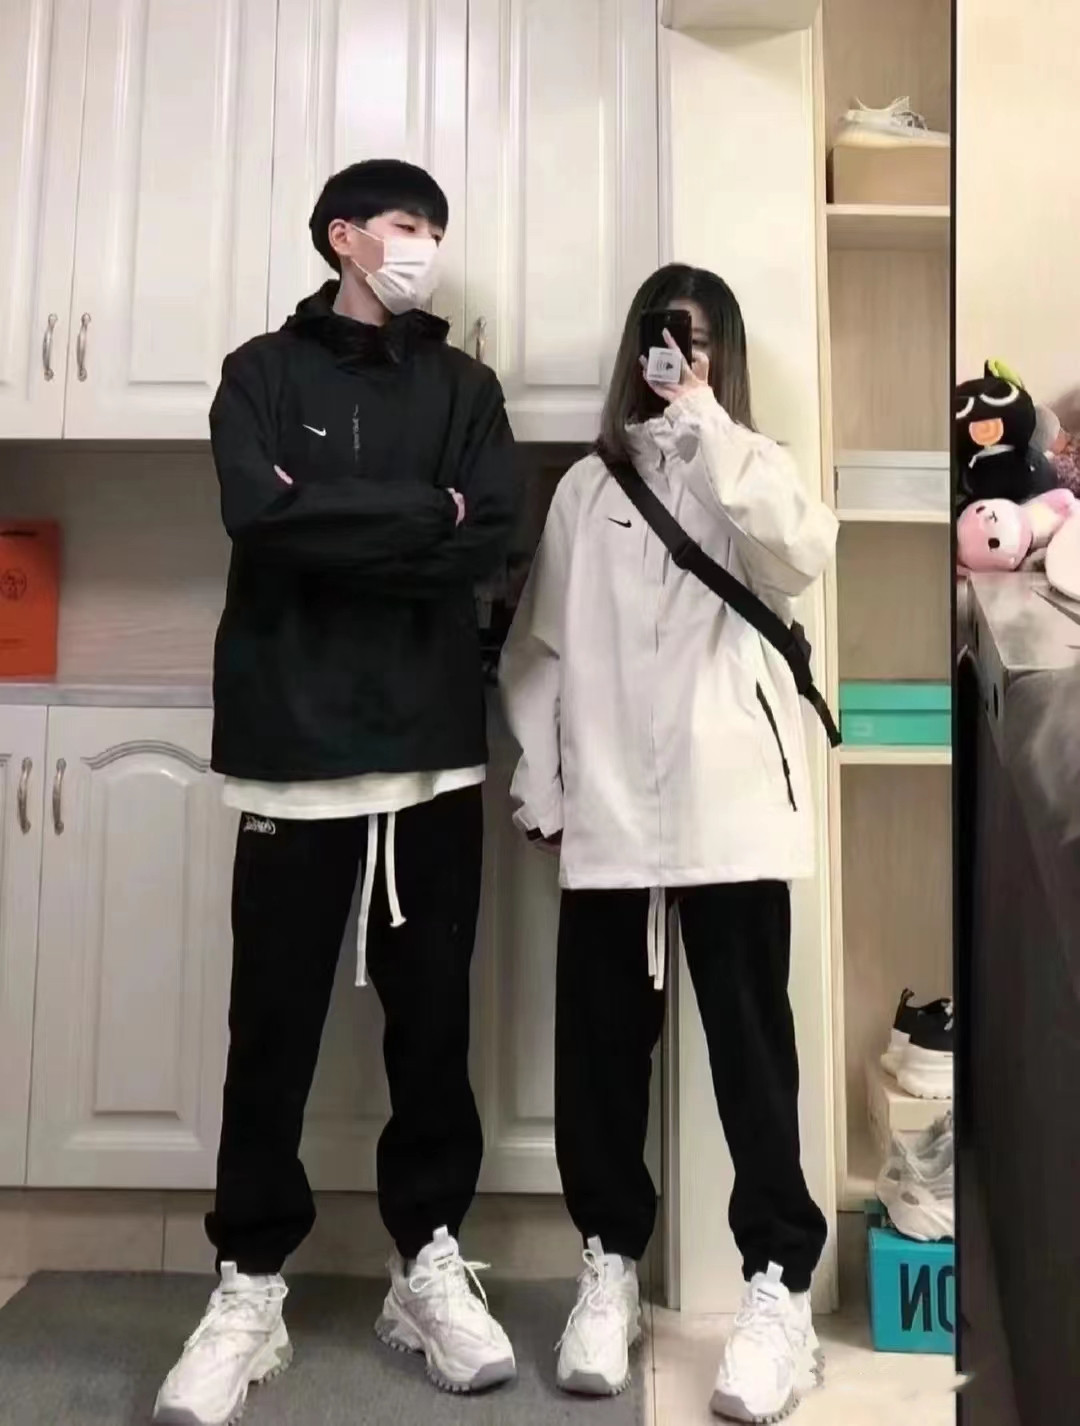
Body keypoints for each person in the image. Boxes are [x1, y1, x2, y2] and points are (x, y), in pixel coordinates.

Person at [153, 160, 521, 1426]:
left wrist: (341, 525)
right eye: (408, 225)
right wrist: (422, 516)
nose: (427, 247)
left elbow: (488, 536)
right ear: (343, 237)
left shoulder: (466, 388)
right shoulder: (259, 373)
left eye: (437, 230)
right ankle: (249, 1283)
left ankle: (426, 1264)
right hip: (289, 750)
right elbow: (257, 519)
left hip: (432, 753)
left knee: (433, 1032)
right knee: (271, 1034)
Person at [499, 263, 837, 1421]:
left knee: (753, 1059)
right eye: (661, 337)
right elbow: (538, 649)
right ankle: (608, 1267)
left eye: (696, 341)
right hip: (610, 817)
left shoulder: (752, 467)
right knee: (599, 1058)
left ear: (721, 354)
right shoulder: (586, 491)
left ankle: (778, 1288)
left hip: (730, 808)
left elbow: (801, 555)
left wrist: (708, 431)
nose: (675, 357)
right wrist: (545, 779)